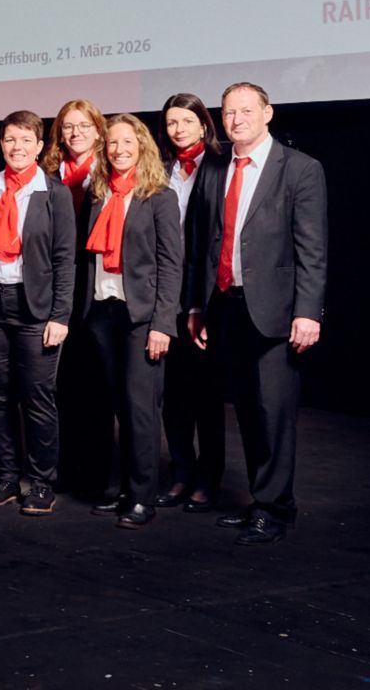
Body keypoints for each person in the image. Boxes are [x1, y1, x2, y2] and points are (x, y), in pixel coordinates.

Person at [184, 83, 326, 545]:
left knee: (274, 412)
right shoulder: (215, 168)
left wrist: (308, 312)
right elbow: (202, 244)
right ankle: (259, 500)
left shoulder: (300, 169)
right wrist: (195, 305)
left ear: (268, 113)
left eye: (246, 111)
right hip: (226, 306)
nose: (236, 120)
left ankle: (275, 509)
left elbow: (312, 249)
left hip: (277, 312)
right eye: (229, 112)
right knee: (246, 409)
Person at [0, 110, 75, 515]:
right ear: (1, 144)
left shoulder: (55, 193)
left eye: (26, 140)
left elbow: (65, 260)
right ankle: (6, 476)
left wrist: (60, 316)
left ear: (40, 146)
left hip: (36, 308)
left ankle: (42, 482)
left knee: (37, 396)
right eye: (10, 139)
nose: (17, 147)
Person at [80, 114, 182, 529]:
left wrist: (163, 323)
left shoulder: (159, 196)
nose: (119, 150)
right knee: (117, 404)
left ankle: (143, 496)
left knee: (141, 409)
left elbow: (171, 264)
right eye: (112, 143)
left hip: (142, 316)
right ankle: (123, 489)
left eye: (127, 142)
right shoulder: (98, 194)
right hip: (103, 311)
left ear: (142, 146)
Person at [156, 92, 224, 513]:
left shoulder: (220, 165)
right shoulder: (160, 168)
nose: (178, 129)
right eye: (171, 122)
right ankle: (181, 471)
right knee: (172, 393)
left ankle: (208, 478)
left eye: (186, 121)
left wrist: (201, 302)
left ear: (203, 124)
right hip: (165, 289)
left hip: (204, 291)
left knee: (206, 394)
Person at [44, 98, 111, 498]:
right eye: (68, 126)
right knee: (63, 387)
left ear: (98, 131)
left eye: (84, 125)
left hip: (94, 292)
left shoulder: (109, 173)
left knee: (97, 387)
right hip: (54, 289)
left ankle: (98, 476)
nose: (76, 133)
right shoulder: (50, 175)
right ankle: (67, 468)